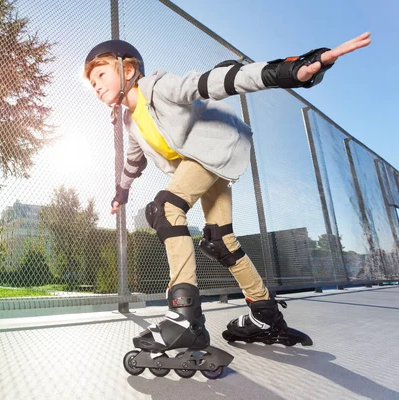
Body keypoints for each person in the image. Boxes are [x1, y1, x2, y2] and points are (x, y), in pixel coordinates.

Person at [83, 33, 371, 360]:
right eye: (91, 82)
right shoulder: (129, 121)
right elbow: (133, 161)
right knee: (221, 241)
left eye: (101, 74)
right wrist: (121, 191)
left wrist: (293, 71)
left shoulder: (159, 88)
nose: (95, 84)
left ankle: (184, 318)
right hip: (203, 159)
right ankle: (265, 315)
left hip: (215, 147)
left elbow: (214, 81)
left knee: (166, 209)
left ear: (129, 69)